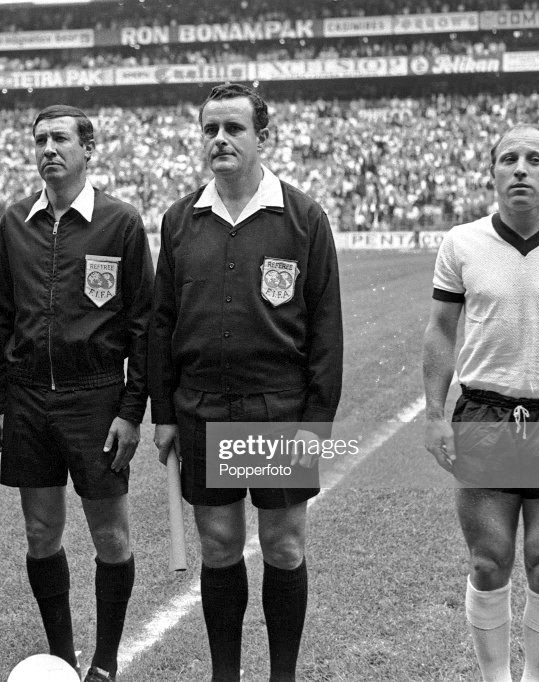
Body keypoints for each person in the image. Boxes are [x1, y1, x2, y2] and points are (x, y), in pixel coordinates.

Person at [149, 83, 343, 682]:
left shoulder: (303, 217)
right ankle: (225, 675)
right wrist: (163, 413)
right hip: (203, 408)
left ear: (264, 136)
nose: (220, 140)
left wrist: (315, 424)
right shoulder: (181, 219)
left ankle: (281, 675)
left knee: (284, 547)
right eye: (211, 130)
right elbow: (161, 323)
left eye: (233, 128)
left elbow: (326, 331)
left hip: (276, 410)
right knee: (220, 548)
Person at [422, 124, 539, 682]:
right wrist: (435, 414)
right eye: (509, 158)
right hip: (485, 416)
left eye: (536, 159)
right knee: (488, 563)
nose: (521, 168)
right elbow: (440, 329)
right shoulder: (462, 242)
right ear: (493, 172)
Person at [0, 105, 153, 682]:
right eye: (40, 140)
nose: (48, 149)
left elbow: (143, 329)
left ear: (89, 149)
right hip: (29, 401)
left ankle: (105, 661)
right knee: (41, 533)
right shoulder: (14, 223)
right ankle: (61, 657)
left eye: (60, 139)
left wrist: (131, 413)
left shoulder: (121, 223)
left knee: (110, 534)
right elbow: (0, 319)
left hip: (96, 400)